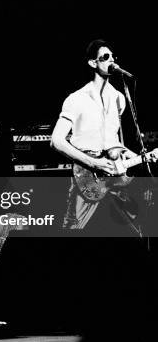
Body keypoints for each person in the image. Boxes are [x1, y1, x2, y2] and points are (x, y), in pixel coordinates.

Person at [51, 39, 153, 233]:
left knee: (133, 229)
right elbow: (56, 141)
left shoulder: (118, 98)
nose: (111, 60)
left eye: (112, 56)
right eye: (105, 57)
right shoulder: (77, 99)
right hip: (86, 176)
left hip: (113, 177)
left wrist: (141, 158)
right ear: (93, 63)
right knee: (72, 231)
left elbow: (112, 143)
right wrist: (93, 163)